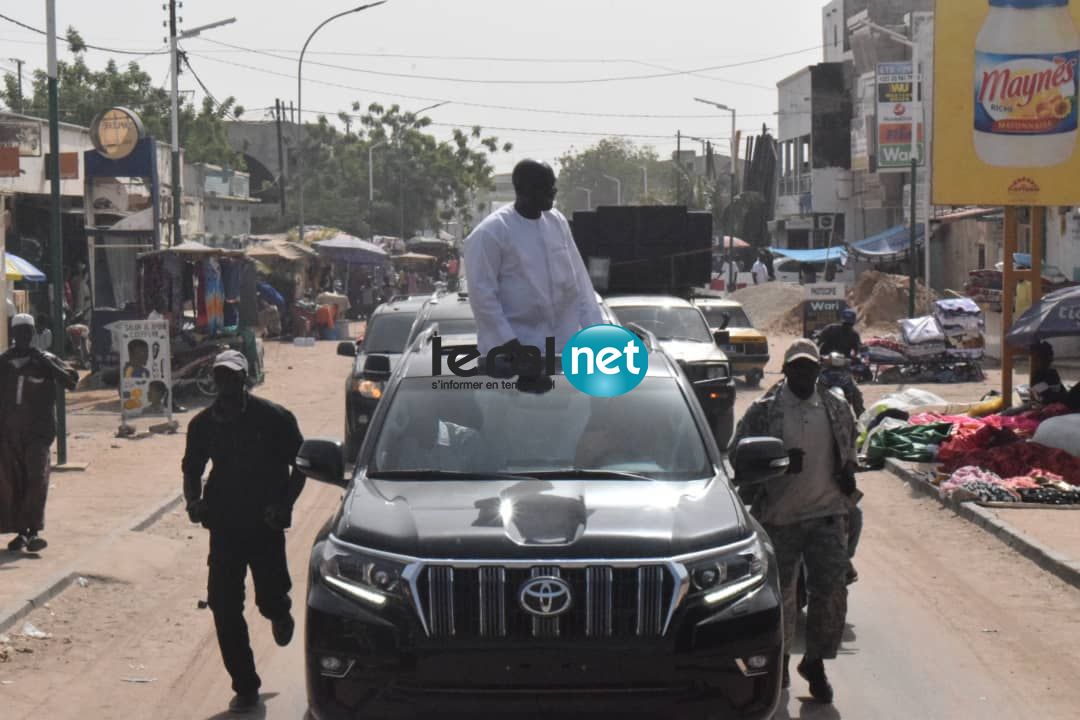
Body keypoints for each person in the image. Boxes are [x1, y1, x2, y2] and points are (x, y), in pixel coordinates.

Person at [732, 339, 857, 704]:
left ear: (819, 371)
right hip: (779, 518)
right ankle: (782, 659)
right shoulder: (764, 412)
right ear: (785, 371)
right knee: (780, 598)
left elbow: (849, 450)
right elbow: (740, 460)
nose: (804, 374)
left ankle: (815, 662)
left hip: (827, 515)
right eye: (797, 368)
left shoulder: (836, 408)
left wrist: (848, 471)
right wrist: (781, 462)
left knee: (832, 593)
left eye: (810, 368)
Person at [181, 350, 306, 714]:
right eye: (220, 377)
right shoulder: (202, 424)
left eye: (233, 377)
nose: (226, 384)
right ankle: (245, 683)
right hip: (223, 526)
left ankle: (280, 613)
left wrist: (284, 505)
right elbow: (191, 469)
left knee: (269, 598)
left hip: (264, 525)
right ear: (214, 382)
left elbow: (301, 465)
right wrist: (193, 501)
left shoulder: (275, 418)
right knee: (223, 605)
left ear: (245, 380)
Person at [464, 159, 603, 365]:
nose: (554, 191)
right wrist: (512, 346)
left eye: (553, 184)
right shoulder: (491, 233)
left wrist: (597, 338)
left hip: (561, 353)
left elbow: (580, 284)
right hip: (510, 357)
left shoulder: (557, 222)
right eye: (547, 186)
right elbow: (482, 298)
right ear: (524, 188)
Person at [0, 314, 79, 553]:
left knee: (37, 478)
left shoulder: (45, 360)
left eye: (28, 331)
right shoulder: (4, 362)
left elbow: (70, 381)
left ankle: (33, 530)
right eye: (19, 332)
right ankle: (21, 533)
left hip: (38, 433)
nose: (23, 336)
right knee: (13, 483)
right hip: (8, 434)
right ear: (13, 334)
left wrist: (46, 362)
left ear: (33, 333)